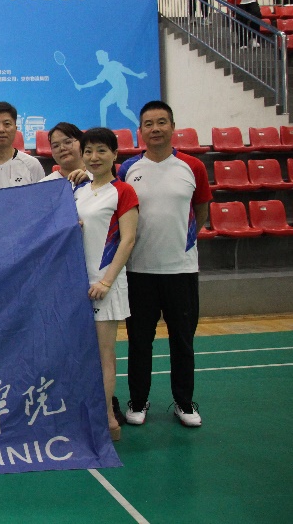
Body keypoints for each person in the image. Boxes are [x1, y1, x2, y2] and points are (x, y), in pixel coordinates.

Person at [117, 101, 212, 428]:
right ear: (140, 131)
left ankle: (184, 403)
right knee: (139, 342)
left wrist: (185, 242)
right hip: (138, 272)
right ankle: (138, 401)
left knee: (182, 341)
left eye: (161, 122)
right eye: (148, 124)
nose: (155, 129)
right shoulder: (127, 169)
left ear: (172, 126)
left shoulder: (193, 167)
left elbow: (201, 209)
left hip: (181, 271)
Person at [72, 128, 138, 441]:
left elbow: (128, 240)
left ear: (114, 154)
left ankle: (107, 417)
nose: (94, 157)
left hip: (104, 285)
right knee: (80, 354)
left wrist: (107, 281)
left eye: (101, 150)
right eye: (88, 151)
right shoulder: (78, 190)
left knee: (104, 355)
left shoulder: (123, 191)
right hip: (75, 284)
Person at [75, 51, 147, 128]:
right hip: (116, 90)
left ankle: (138, 124)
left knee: (122, 109)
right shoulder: (104, 72)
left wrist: (137, 75)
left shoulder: (113, 64)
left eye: (99, 58)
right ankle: (103, 127)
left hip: (121, 89)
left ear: (103, 58)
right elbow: (95, 82)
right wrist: (82, 86)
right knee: (104, 104)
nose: (98, 59)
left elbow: (124, 69)